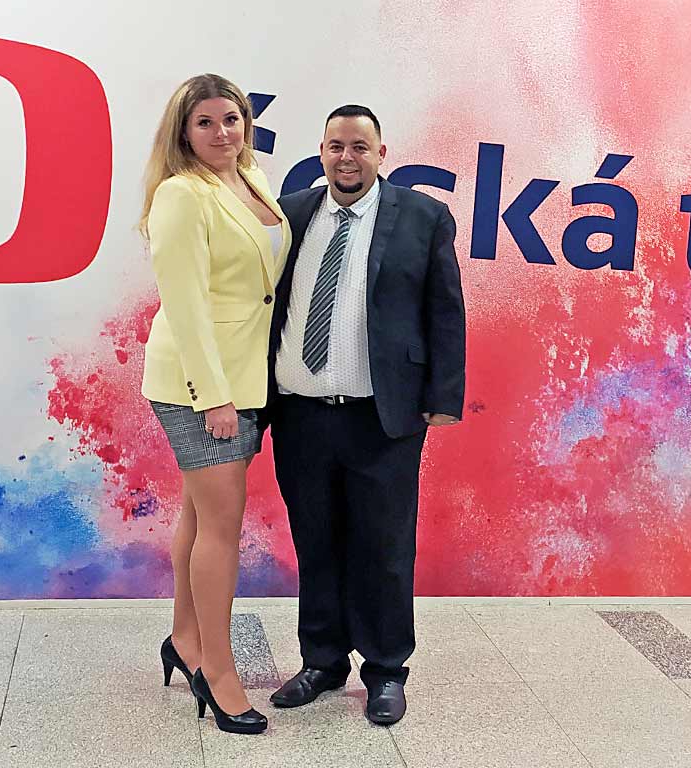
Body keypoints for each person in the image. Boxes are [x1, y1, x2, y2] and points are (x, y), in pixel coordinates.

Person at [265, 104, 465, 725]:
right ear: (321, 151)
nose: (346, 157)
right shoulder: (290, 213)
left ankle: (385, 669)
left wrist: (443, 397)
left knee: (384, 547)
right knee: (315, 541)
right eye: (335, 146)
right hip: (300, 417)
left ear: (381, 154)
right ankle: (322, 661)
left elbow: (444, 309)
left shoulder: (423, 216)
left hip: (383, 418)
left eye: (359, 147)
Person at [139, 73, 290, 735]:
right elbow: (186, 305)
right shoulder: (180, 193)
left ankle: (184, 638)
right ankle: (219, 674)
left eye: (231, 118)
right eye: (205, 122)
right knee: (222, 531)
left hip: (247, 376)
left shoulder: (251, 177)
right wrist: (214, 398)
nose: (222, 132)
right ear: (183, 132)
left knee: (201, 516)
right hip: (200, 385)